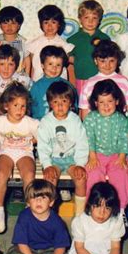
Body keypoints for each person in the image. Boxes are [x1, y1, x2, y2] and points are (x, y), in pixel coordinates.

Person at [6, 179, 73, 254]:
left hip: (49, 251)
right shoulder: (24, 217)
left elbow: (60, 247)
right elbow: (21, 244)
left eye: (43, 197)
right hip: (29, 251)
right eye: (34, 198)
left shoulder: (57, 221)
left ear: (51, 202)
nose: (38, 201)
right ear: (27, 202)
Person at [0, 82, 39, 233]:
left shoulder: (31, 123)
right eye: (16, 105)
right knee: (2, 174)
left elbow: (40, 138)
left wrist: (30, 141)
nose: (20, 110)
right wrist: (1, 141)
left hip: (24, 152)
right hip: (6, 152)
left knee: (29, 174)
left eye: (23, 106)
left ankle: (29, 209)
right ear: (6, 106)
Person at [37, 81, 88, 215]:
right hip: (54, 160)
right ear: (49, 103)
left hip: (72, 159)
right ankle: (50, 213)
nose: (60, 106)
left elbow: (82, 143)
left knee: (81, 178)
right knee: (50, 179)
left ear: (71, 103)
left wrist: (80, 164)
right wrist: (47, 165)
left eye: (64, 101)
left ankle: (80, 215)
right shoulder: (46, 122)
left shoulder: (75, 120)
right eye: (55, 102)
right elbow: (42, 146)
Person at [84, 80, 128, 220]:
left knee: (121, 175)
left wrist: (122, 157)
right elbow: (89, 138)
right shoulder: (91, 118)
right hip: (96, 154)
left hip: (117, 155)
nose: (106, 106)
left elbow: (124, 139)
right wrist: (92, 157)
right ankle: (93, 207)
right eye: (102, 102)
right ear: (96, 103)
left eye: (109, 101)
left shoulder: (122, 119)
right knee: (93, 174)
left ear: (116, 101)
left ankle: (121, 210)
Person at [79, 40, 128, 119]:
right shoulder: (89, 83)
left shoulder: (124, 81)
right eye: (102, 61)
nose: (107, 65)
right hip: (96, 125)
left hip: (119, 125)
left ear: (117, 60)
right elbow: (84, 111)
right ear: (96, 61)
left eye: (112, 61)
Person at [67, 0, 110, 96]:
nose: (90, 21)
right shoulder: (73, 39)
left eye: (94, 18)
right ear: (80, 19)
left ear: (99, 20)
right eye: (86, 17)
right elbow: (65, 57)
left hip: (102, 78)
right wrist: (76, 61)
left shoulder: (104, 38)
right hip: (82, 77)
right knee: (83, 104)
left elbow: (111, 57)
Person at [0, 44, 32, 119]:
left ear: (16, 65)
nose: (6, 68)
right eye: (2, 64)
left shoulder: (24, 80)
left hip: (19, 118)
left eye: (10, 64)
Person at [26, 5, 74, 81]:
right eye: (46, 22)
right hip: (39, 82)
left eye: (53, 22)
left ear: (59, 24)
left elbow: (68, 65)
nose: (49, 26)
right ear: (41, 24)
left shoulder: (64, 45)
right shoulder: (34, 44)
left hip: (59, 84)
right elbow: (32, 66)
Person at [29, 45, 76, 120]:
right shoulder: (36, 86)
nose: (54, 68)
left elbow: (74, 106)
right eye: (50, 64)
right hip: (41, 124)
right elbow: (31, 108)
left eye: (58, 65)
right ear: (42, 65)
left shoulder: (67, 86)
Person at [0, 6, 30, 75]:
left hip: (19, 75)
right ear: (0, 25)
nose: (9, 26)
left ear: (19, 25)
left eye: (13, 23)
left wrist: (27, 77)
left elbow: (27, 61)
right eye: (5, 23)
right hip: (1, 75)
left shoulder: (23, 42)